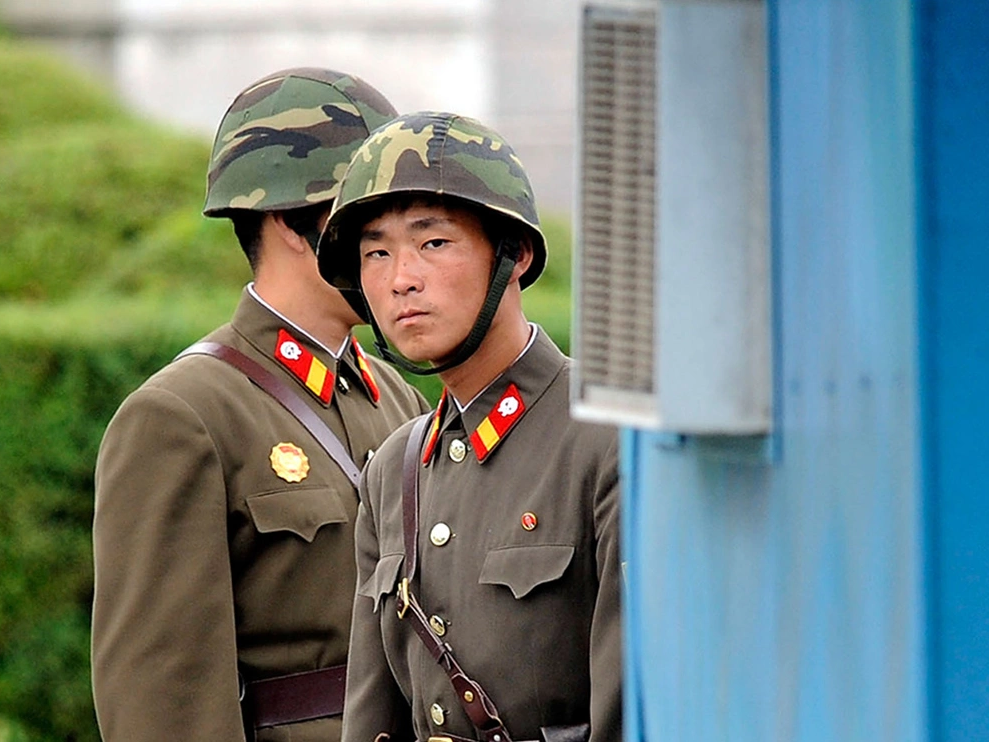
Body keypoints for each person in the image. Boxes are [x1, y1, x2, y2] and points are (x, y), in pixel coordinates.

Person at [91, 68, 433, 741]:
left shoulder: (396, 398)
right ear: (289, 219)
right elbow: (164, 699)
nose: (392, 251)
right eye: (366, 218)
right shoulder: (183, 415)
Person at [314, 111, 621, 742]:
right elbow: (372, 717)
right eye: (377, 252)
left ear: (516, 253)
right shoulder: (392, 470)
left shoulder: (607, 435)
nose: (402, 279)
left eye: (434, 243)